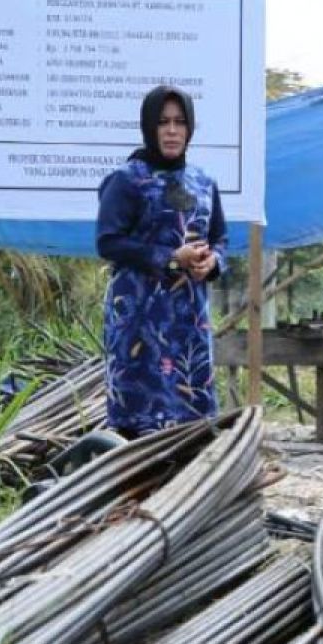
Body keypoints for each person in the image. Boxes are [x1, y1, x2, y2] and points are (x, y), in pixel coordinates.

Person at [96, 86, 227, 438]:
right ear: (149, 127)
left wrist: (212, 263)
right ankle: (133, 488)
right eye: (163, 122)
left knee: (191, 420)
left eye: (180, 122)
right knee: (136, 418)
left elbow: (220, 239)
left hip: (189, 322)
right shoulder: (127, 180)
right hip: (139, 319)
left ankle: (187, 488)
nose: (172, 130)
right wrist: (170, 258)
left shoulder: (204, 183)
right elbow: (108, 241)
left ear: (190, 128)